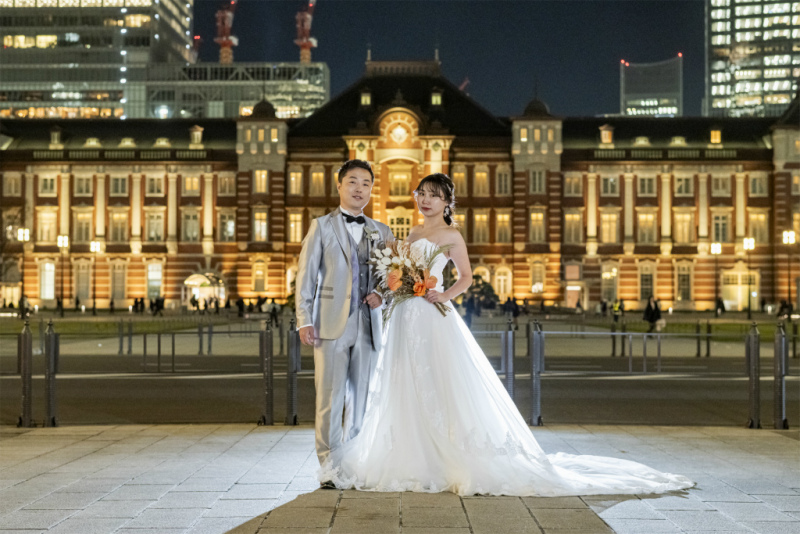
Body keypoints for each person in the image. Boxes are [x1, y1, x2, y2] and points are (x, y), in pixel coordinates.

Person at [319, 172, 693, 497]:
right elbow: (398, 271)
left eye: (434, 194)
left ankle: (445, 452)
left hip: (432, 315)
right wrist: (398, 284)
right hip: (404, 317)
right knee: (404, 380)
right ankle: (405, 449)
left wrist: (442, 294)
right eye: (422, 193)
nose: (426, 200)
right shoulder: (413, 231)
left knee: (440, 381)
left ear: (447, 201)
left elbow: (465, 277)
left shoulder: (452, 235)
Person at [295, 159, 395, 482]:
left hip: (368, 325)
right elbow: (305, 278)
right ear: (339, 186)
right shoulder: (321, 226)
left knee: (362, 399)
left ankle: (353, 464)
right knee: (329, 397)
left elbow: (392, 278)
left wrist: (382, 293)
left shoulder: (382, 231)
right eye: (353, 182)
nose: (359, 189)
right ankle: (329, 467)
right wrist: (303, 319)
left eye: (366, 183)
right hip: (329, 325)